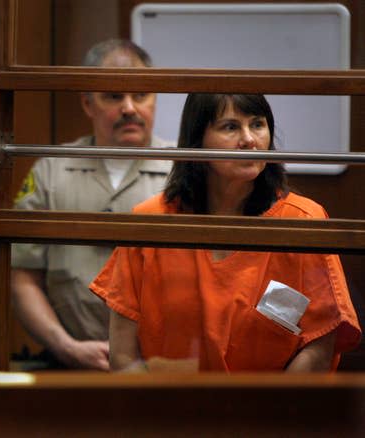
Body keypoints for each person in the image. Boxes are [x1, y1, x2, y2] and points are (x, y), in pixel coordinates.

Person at [90, 93, 361, 372]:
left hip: (273, 409)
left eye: (257, 124)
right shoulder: (150, 221)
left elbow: (320, 345)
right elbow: (123, 355)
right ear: (197, 141)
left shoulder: (303, 221)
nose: (249, 140)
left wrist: (268, 413)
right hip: (169, 408)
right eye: (230, 127)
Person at [11, 39, 174, 370]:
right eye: (114, 96)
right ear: (88, 104)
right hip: (68, 364)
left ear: (155, 100)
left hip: (159, 369)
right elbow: (22, 277)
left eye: (141, 95)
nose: (129, 107)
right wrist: (67, 346)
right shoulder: (51, 171)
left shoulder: (183, 171)